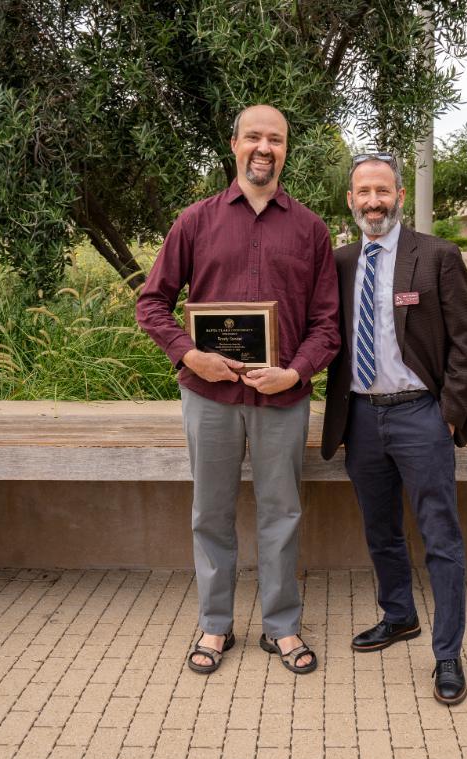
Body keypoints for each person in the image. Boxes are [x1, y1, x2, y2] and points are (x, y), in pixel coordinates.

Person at [136, 104, 339, 676]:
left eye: (275, 139)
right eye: (254, 137)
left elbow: (328, 324)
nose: (264, 148)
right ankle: (215, 624)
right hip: (210, 397)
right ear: (234, 145)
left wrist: (295, 373)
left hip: (282, 397)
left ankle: (281, 627)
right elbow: (151, 304)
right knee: (211, 511)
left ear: (285, 150)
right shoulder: (194, 222)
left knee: (282, 511)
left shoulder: (310, 229)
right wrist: (190, 354)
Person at [320, 152, 467, 705]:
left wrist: (447, 412)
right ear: (350, 201)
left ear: (399, 197)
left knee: (441, 538)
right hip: (362, 418)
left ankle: (447, 654)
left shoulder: (436, 255)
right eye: (363, 193)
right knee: (382, 531)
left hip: (421, 414)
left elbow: (465, 344)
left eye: (383, 192)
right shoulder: (340, 261)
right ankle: (399, 617)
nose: (374, 202)